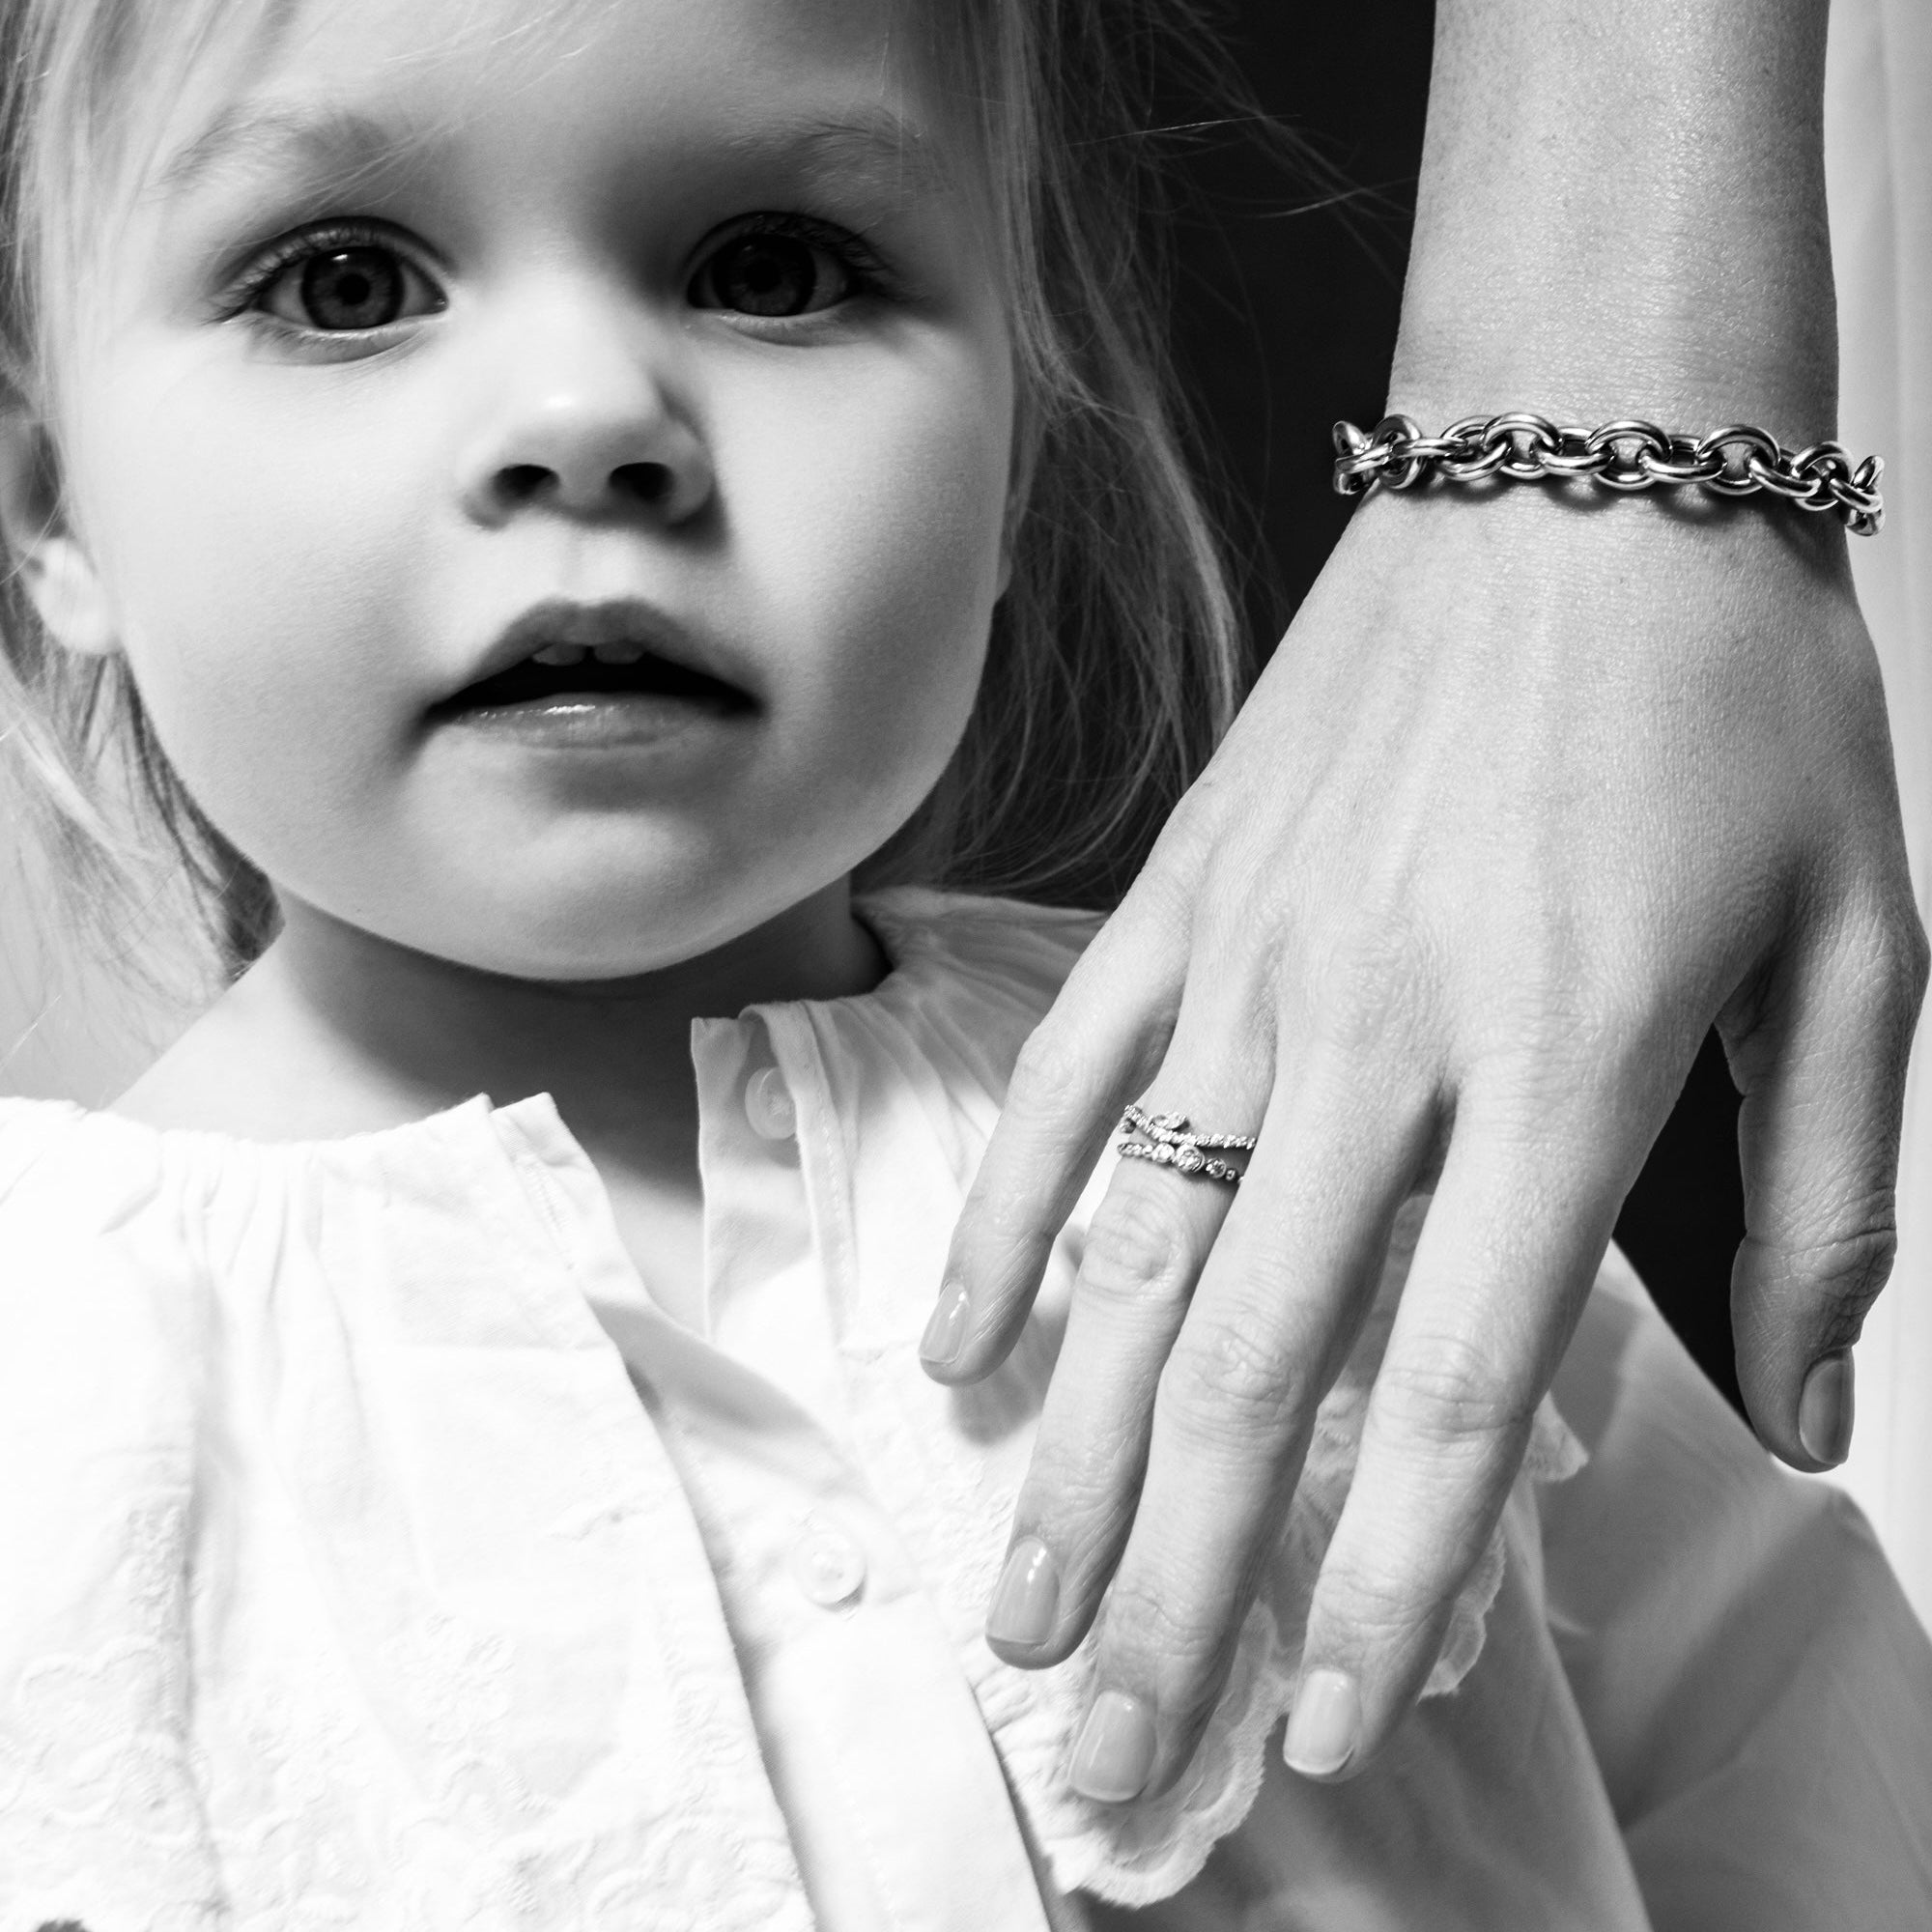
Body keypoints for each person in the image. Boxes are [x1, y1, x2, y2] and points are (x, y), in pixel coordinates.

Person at [0, 2, 1925, 1930]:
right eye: (341, 285)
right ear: (46, 505)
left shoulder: (1313, 1106)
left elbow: (1809, 1783)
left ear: (1017, 457)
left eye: (773, 269)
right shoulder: (48, 1406)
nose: (587, 417)